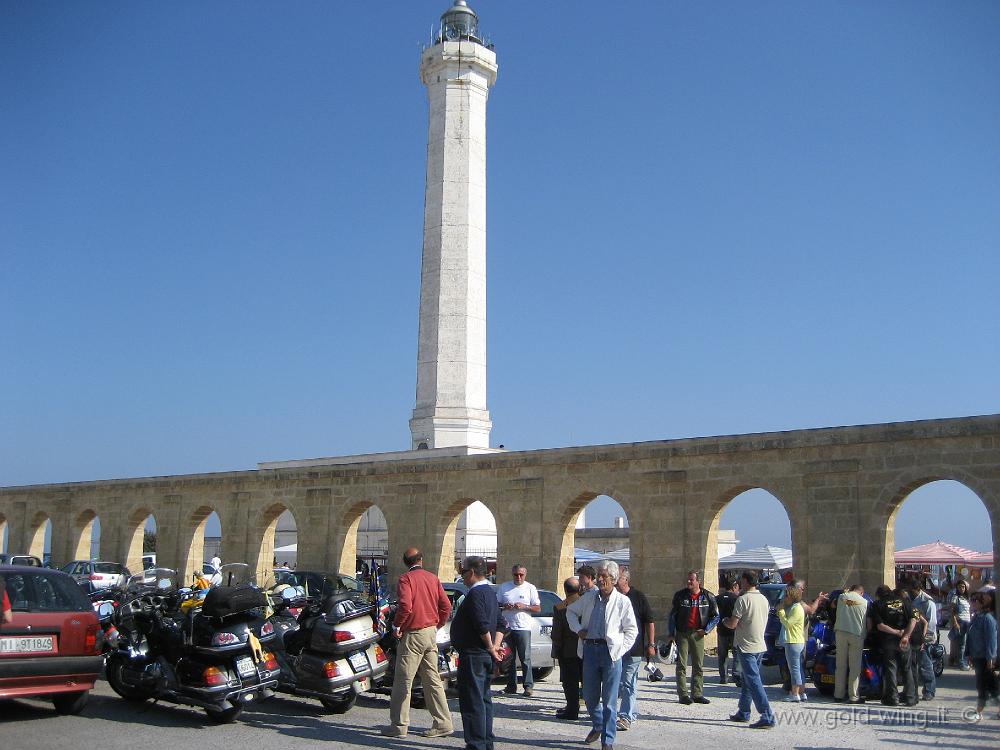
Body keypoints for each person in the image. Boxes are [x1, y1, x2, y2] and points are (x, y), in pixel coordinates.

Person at [381, 547, 453, 739]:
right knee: (433, 680)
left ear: (405, 562)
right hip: (430, 632)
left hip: (413, 633)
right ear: (421, 560)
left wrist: (397, 625)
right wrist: (438, 624)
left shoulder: (406, 579)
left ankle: (399, 725)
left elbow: (405, 606)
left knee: (403, 681)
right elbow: (446, 605)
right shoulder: (433, 578)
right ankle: (443, 722)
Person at [567, 561, 638, 750]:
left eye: (603, 576)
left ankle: (608, 740)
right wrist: (579, 630)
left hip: (610, 653)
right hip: (590, 649)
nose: (599, 579)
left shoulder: (623, 602)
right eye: (598, 575)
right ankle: (598, 724)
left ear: (613, 580)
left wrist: (619, 650)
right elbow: (571, 612)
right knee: (590, 697)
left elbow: (632, 630)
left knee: (609, 700)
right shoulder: (590, 598)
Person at [451, 556, 506, 750]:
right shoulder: (490, 592)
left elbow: (481, 624)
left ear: (472, 572)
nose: (462, 576)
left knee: (472, 702)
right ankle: (486, 742)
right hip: (484, 654)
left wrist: (491, 647)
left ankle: (476, 744)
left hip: (474, 654)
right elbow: (501, 623)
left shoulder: (475, 594)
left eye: (463, 572)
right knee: (484, 700)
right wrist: (495, 647)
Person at [723, 571, 775, 729]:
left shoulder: (743, 599)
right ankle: (744, 711)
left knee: (753, 680)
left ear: (745, 581)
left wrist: (725, 621)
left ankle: (767, 715)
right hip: (759, 645)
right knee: (747, 680)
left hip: (746, 646)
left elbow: (733, 624)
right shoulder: (764, 599)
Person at [665, 570, 719, 705]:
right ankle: (683, 694)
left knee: (698, 665)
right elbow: (672, 615)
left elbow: (716, 616)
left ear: (698, 581)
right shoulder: (680, 596)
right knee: (681, 664)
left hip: (698, 633)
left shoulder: (708, 597)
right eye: (688, 580)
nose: (689, 582)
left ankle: (697, 693)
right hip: (683, 632)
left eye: (692, 580)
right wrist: (671, 634)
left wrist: (706, 630)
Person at [615, 569, 655, 731]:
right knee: (619, 683)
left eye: (617, 577)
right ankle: (631, 712)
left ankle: (625, 717)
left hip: (634, 648)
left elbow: (649, 621)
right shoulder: (613, 597)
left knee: (627, 682)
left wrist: (651, 644)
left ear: (626, 580)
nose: (615, 580)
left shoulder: (638, 597)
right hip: (616, 648)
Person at [496, 564, 541, 696]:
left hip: (523, 627)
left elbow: (538, 608)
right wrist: (505, 606)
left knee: (525, 658)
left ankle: (528, 686)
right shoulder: (504, 587)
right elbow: (497, 604)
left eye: (521, 574)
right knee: (509, 658)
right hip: (507, 627)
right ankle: (511, 686)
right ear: (512, 574)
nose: (518, 577)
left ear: (525, 575)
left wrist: (524, 606)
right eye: (516, 574)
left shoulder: (530, 588)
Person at [869, 584, 917, 707]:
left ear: (878, 595)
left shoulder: (877, 604)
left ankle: (892, 698)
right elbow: (913, 620)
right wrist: (905, 635)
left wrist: (896, 632)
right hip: (904, 640)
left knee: (891, 669)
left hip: (888, 640)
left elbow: (880, 626)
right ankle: (910, 698)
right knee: (907, 669)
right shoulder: (904, 601)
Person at [551, 576, 583, 720]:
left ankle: (572, 709)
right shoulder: (586, 604)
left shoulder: (560, 607)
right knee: (587, 680)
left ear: (565, 590)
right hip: (585, 648)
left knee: (570, 682)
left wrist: (556, 649)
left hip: (568, 649)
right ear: (580, 589)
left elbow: (557, 632)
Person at [965, 590, 998, 721]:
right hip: (977, 656)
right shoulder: (976, 617)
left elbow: (991, 640)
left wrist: (991, 658)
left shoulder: (988, 619)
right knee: (992, 686)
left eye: (973, 601)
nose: (971, 603)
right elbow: (970, 637)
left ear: (980, 603)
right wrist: (969, 654)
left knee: (982, 685)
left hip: (985, 657)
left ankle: (979, 711)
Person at [833, 584, 869, 704]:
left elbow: (833, 603)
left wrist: (846, 591)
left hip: (841, 632)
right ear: (862, 592)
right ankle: (853, 696)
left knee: (840, 665)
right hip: (856, 634)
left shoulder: (842, 597)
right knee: (854, 667)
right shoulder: (864, 602)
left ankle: (838, 694)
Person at [906, 577, 938, 700]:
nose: (910, 592)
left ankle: (929, 691)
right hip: (913, 637)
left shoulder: (927, 602)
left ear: (918, 589)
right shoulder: (911, 599)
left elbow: (931, 622)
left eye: (912, 590)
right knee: (915, 665)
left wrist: (924, 640)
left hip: (925, 638)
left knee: (925, 665)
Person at [777, 584, 807, 701]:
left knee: (794, 669)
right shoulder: (797, 607)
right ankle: (802, 692)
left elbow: (788, 624)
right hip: (798, 640)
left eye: (786, 595)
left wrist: (781, 613)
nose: (785, 597)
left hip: (793, 641)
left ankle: (795, 693)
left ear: (791, 596)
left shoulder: (796, 608)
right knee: (798, 668)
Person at [715, 575, 740, 684]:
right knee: (736, 654)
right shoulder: (737, 599)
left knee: (722, 655)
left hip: (721, 629)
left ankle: (723, 677)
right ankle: (736, 676)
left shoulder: (717, 598)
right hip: (734, 630)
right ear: (735, 586)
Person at [947, 579, 972, 669]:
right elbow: (952, 611)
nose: (962, 588)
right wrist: (955, 623)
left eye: (963, 586)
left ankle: (962, 661)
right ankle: (961, 663)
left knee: (965, 644)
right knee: (962, 644)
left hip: (967, 622)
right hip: (960, 622)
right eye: (960, 587)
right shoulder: (955, 597)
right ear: (957, 588)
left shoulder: (966, 598)